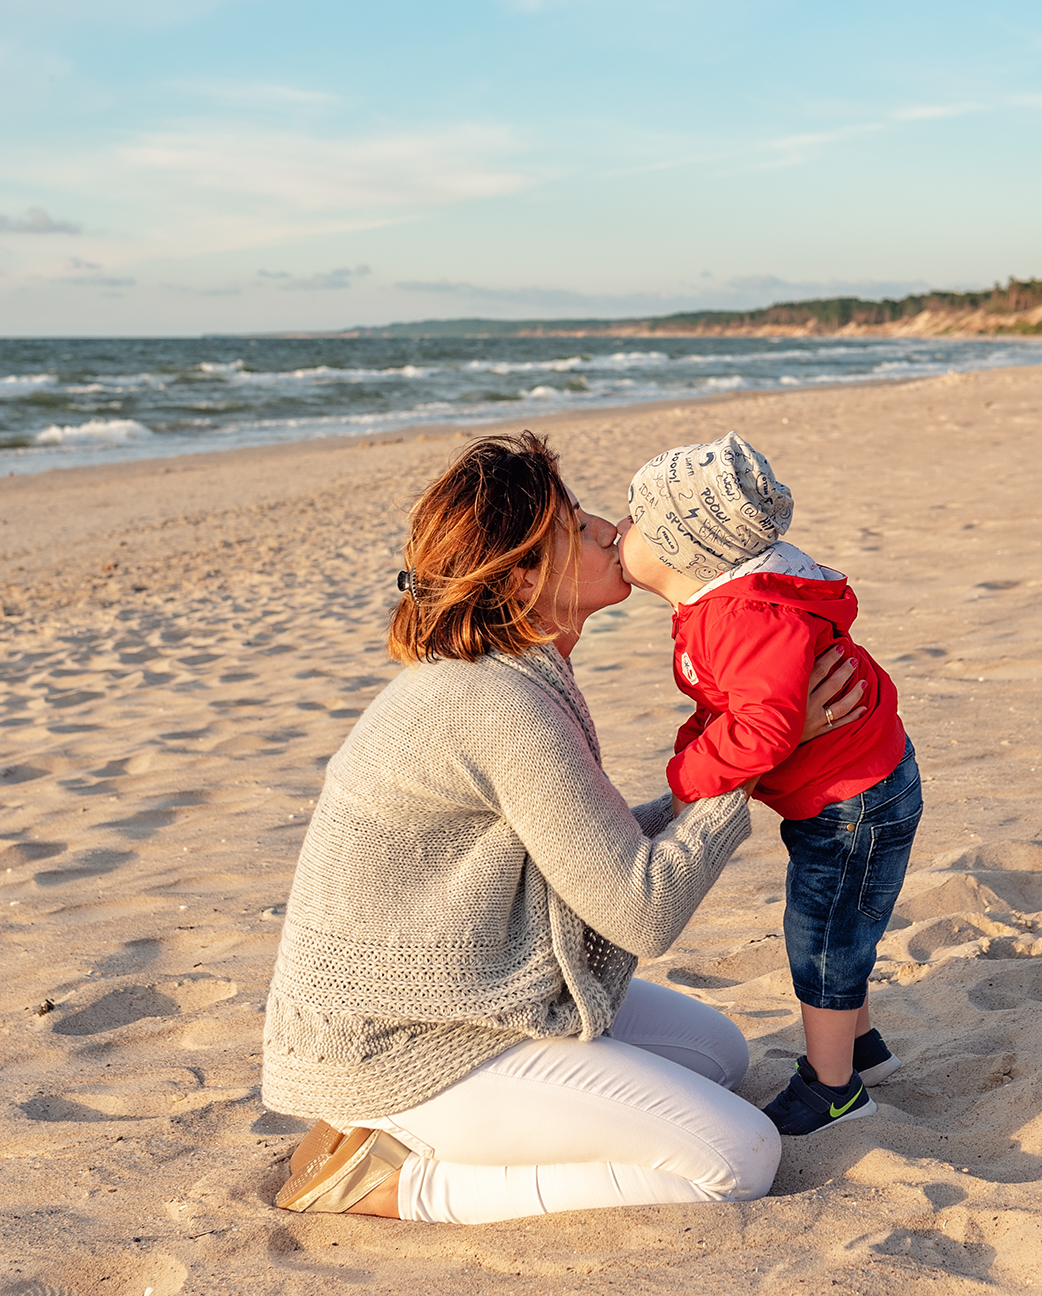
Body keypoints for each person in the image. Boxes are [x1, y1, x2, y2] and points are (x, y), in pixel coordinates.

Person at [261, 431, 865, 1224]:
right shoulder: (498, 704)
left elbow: (599, 851)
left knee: (720, 1054)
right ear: (521, 579)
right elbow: (641, 910)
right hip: (405, 1040)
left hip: (475, 990)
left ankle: (427, 1128)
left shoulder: (515, 676)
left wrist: (746, 750)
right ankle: (391, 1181)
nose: (611, 529)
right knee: (740, 1156)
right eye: (576, 526)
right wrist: (760, 748)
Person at [620, 429, 920, 1136]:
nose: (620, 530)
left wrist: (688, 771)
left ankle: (834, 1089)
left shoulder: (746, 618)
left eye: (635, 519)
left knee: (823, 935)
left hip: (854, 801)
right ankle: (861, 1047)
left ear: (679, 548)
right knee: (844, 923)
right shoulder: (727, 604)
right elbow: (738, 707)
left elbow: (765, 730)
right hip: (848, 788)